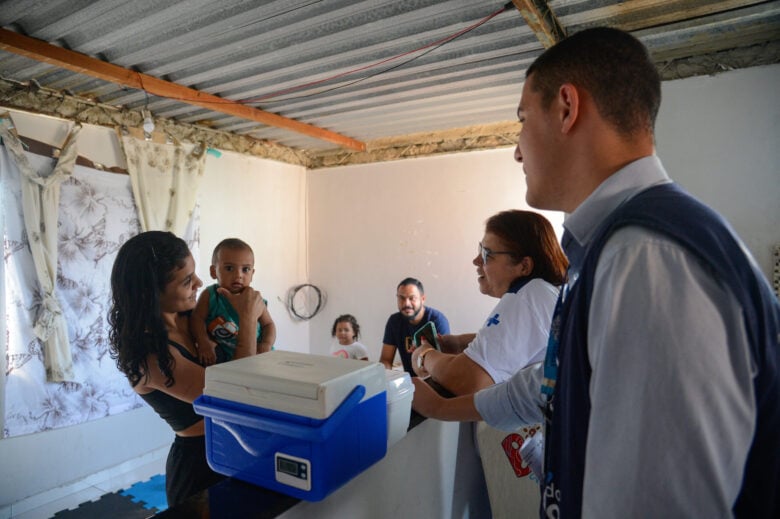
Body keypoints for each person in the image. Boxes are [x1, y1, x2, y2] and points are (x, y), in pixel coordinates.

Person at [412, 27, 779, 518]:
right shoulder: (607, 248)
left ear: (566, 107)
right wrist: (440, 408)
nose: (517, 151)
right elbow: (548, 383)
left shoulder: (647, 258)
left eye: (522, 121)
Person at [108, 231, 266, 506]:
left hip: (238, 447)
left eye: (194, 274)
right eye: (186, 281)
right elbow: (234, 395)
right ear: (151, 292)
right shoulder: (150, 356)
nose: (199, 283)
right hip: (201, 465)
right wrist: (248, 321)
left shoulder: (192, 316)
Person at [410, 210, 566, 395]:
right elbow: (519, 342)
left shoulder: (527, 297)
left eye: (486, 254)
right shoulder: (545, 291)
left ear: (523, 266)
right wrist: (461, 343)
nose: (476, 261)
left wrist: (424, 355)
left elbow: (467, 381)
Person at [190, 238, 276, 365]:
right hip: (224, 359)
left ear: (252, 273)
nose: (239, 275)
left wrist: (266, 344)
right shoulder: (210, 295)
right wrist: (203, 343)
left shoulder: (255, 300)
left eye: (245, 269)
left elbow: (268, 325)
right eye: (229, 268)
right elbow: (197, 318)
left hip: (258, 355)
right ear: (213, 272)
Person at [380, 277, 450, 375]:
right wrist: (385, 377)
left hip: (435, 381)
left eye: (412, 298)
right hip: (410, 382)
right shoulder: (394, 321)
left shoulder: (437, 320)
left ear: (423, 299)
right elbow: (386, 360)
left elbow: (443, 365)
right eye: (401, 298)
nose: (406, 303)